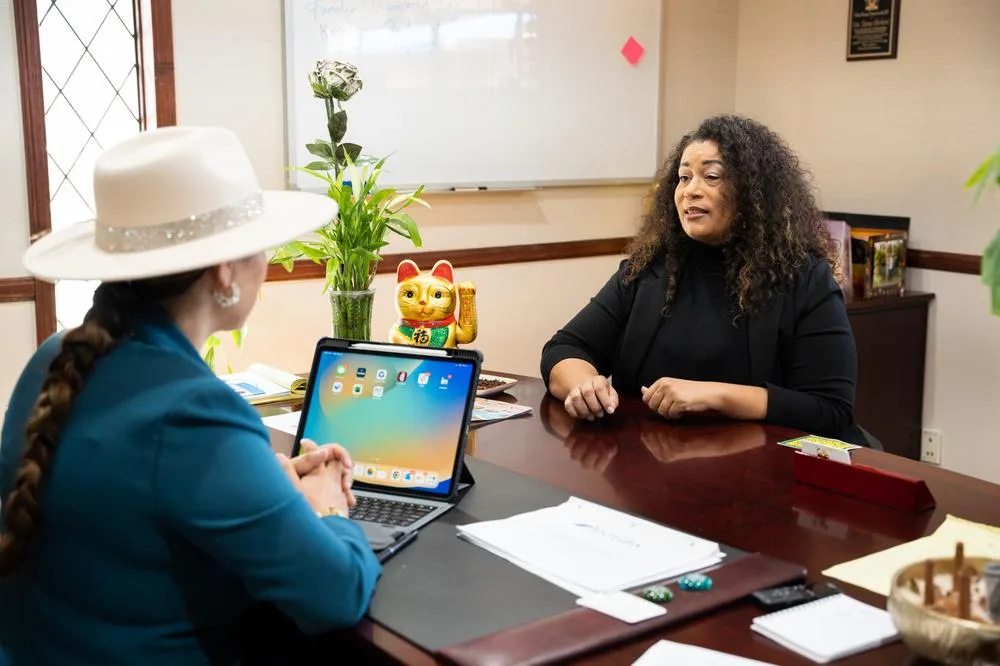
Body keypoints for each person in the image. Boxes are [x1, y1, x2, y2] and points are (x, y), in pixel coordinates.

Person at [0, 126, 382, 664]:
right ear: (225, 270)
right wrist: (324, 508)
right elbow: (336, 594)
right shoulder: (193, 410)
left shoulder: (53, 357)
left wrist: (263, 487)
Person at [540, 114, 866, 445]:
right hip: (647, 471)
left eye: (711, 177)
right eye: (683, 178)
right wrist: (583, 383)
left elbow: (830, 409)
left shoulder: (805, 279)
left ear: (753, 192)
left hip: (760, 474)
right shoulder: (647, 269)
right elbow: (565, 347)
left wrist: (714, 396)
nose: (691, 191)